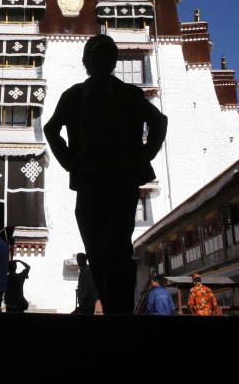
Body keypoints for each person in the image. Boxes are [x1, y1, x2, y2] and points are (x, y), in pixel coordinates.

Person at [44, 34, 167, 315]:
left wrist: (70, 161)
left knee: (113, 247)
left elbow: (51, 130)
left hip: (107, 183)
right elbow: (158, 123)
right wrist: (69, 163)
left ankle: (118, 309)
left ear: (87, 62)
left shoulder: (88, 95)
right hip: (104, 181)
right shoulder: (124, 95)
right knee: (103, 249)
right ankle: (116, 308)